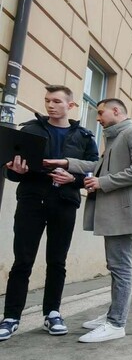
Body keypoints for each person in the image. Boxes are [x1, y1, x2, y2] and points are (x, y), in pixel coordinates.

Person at [44, 98, 132, 343]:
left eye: (101, 112)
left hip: (123, 212)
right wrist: (67, 163)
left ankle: (116, 324)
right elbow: (99, 165)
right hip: (114, 211)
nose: (98, 118)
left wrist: (102, 182)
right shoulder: (116, 138)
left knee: (121, 268)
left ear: (117, 111)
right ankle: (113, 315)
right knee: (115, 266)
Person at [0, 85, 99, 342]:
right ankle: (11, 317)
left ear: (71, 105)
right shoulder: (30, 129)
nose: (51, 105)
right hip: (31, 202)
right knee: (22, 260)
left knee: (57, 262)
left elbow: (93, 174)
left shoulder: (85, 138)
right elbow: (10, 170)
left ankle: (52, 313)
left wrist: (73, 179)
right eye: (47, 100)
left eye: (56, 101)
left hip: (64, 203)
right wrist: (16, 170)